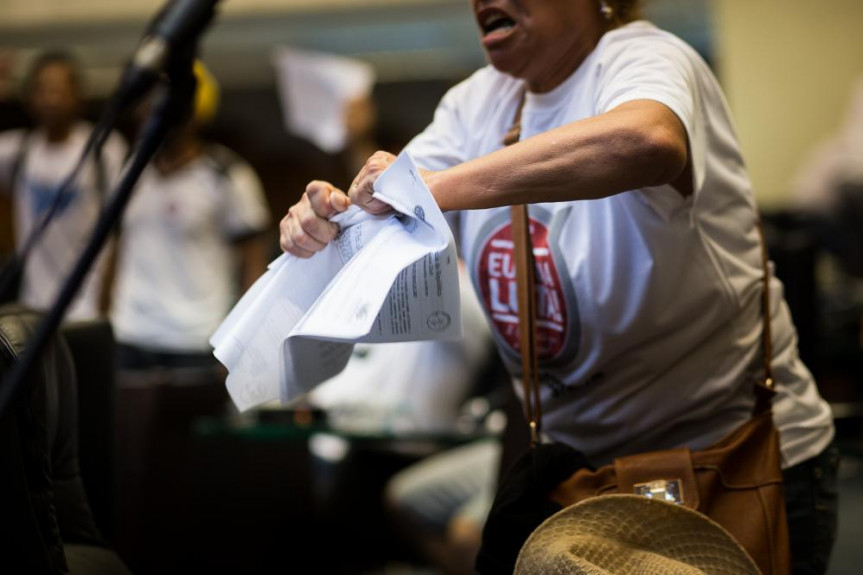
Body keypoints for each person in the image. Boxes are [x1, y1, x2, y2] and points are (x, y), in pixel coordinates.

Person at [279, 1, 837, 573]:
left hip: (734, 458)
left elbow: (648, 139)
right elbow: (388, 206)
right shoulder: (475, 105)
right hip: (585, 474)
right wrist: (326, 221)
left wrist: (435, 188)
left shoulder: (644, 56)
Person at [111, 62, 271, 370]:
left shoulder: (227, 175)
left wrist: (241, 340)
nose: (150, 111)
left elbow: (253, 261)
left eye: (163, 102)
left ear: (193, 112)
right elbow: (116, 247)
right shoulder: (130, 169)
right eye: (147, 102)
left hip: (196, 340)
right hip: (130, 336)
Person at [0, 50, 127, 319]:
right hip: (33, 308)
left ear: (78, 96)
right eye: (43, 90)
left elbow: (122, 227)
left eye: (60, 90)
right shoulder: (18, 151)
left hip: (88, 308)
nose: (52, 99)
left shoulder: (104, 147)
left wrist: (107, 300)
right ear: (29, 97)